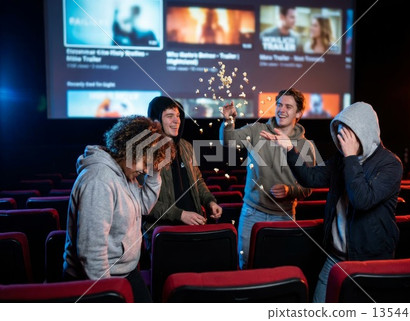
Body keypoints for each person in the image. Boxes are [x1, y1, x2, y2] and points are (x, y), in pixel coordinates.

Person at [261, 102, 403, 302]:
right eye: (340, 131)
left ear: (363, 131)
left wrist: (351, 157)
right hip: (335, 257)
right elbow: (311, 178)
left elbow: (362, 200)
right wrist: (290, 149)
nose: (341, 137)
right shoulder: (342, 158)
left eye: (347, 132)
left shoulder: (390, 164)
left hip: (370, 261)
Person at [63, 115, 174, 302]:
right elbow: (92, 254)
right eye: (145, 162)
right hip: (98, 279)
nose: (146, 170)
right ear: (129, 150)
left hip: (124, 272)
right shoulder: (99, 180)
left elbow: (144, 206)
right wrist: (107, 296)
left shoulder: (124, 171)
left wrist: (155, 170)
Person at [220, 88, 316, 269]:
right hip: (252, 213)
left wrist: (290, 191)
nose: (282, 110)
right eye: (279, 105)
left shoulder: (306, 146)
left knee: (280, 268)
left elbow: (309, 185)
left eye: (288, 106)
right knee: (246, 265)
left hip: (285, 216)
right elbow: (229, 140)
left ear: (299, 113)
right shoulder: (258, 130)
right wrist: (229, 120)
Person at [142, 97, 222, 248]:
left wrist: (210, 201)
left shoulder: (186, 146)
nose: (176, 120)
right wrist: (180, 215)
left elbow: (198, 181)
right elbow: (143, 202)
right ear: (155, 120)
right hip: (164, 235)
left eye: (178, 116)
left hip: (194, 229)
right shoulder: (144, 152)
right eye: (169, 116)